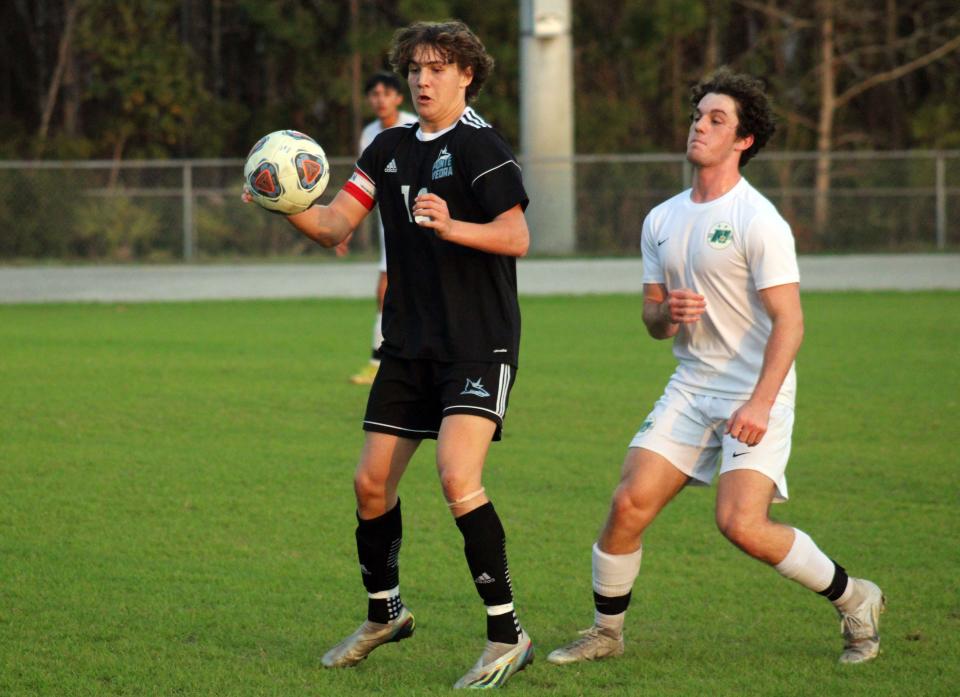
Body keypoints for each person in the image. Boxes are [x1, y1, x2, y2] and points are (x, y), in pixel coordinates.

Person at [547, 68, 885, 668]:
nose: (699, 127)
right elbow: (652, 321)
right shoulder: (661, 219)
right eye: (697, 116)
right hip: (691, 384)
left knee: (741, 524)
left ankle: (857, 597)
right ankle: (606, 632)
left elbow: (791, 323)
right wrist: (666, 313)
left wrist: (758, 404)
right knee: (628, 505)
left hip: (755, 390)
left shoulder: (759, 221)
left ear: (743, 140)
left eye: (716, 119)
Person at [245, 20, 534, 689]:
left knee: (457, 476)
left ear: (466, 73)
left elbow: (517, 235)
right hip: (409, 342)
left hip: (477, 340)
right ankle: (385, 613)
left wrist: (451, 222)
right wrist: (280, 199)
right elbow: (335, 225)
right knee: (371, 483)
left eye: (438, 68)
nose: (423, 79)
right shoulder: (388, 146)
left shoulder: (481, 146)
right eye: (415, 68)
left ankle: (506, 634)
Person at [338, 72, 418, 385]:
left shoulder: (414, 125)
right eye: (374, 94)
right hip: (391, 221)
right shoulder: (370, 133)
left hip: (421, 217)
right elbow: (365, 184)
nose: (380, 99)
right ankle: (379, 360)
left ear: (399, 98)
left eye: (386, 93)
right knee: (385, 290)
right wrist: (347, 225)